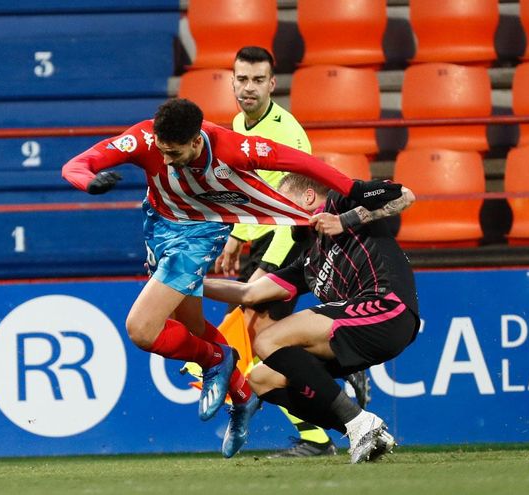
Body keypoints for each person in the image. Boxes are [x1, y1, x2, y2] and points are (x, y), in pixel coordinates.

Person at [61, 98, 402, 458]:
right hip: (159, 227)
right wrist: (90, 182)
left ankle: (217, 359)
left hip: (199, 235)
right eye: (161, 151)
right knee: (192, 329)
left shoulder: (232, 148)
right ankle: (242, 396)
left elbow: (298, 161)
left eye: (173, 153)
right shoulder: (146, 139)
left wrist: (351, 189)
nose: (164, 160)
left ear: (196, 141)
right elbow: (77, 164)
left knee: (141, 328)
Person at [203, 173, 420, 463]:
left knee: (268, 339)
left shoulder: (341, 202)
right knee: (262, 379)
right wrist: (189, 284)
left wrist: (345, 220)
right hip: (362, 330)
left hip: (387, 310)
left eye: (281, 203)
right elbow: (249, 293)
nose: (276, 214)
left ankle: (358, 421)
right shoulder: (309, 260)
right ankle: (362, 430)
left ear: (307, 197)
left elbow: (405, 195)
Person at [217, 45, 357, 458]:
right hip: (262, 238)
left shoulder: (287, 133)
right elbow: (247, 194)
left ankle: (322, 426)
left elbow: (296, 206)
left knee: (262, 335)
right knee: (265, 338)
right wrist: (235, 238)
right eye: (242, 79)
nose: (249, 88)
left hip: (290, 242)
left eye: (258, 80)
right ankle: (339, 378)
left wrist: (270, 270)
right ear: (233, 81)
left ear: (272, 85)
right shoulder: (237, 125)